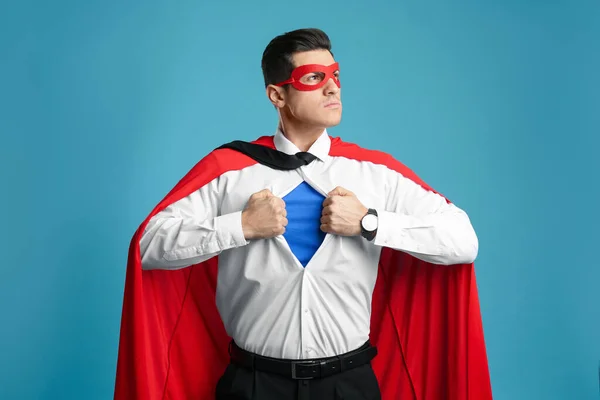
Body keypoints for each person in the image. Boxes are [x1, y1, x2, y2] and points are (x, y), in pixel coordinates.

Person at [114, 28, 493, 400]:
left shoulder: (376, 173)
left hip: (349, 383)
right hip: (254, 384)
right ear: (277, 94)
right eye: (314, 77)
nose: (333, 88)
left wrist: (369, 223)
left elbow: (463, 241)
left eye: (336, 76)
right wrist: (240, 226)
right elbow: (148, 246)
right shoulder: (229, 171)